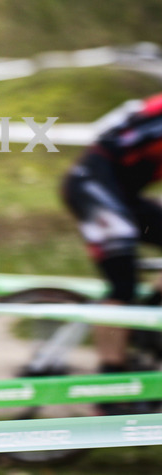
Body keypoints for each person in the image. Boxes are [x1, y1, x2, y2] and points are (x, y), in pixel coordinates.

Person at [61, 93, 162, 384]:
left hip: (119, 191)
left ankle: (145, 321)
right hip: (92, 186)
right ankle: (111, 382)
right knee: (122, 284)